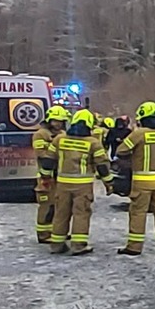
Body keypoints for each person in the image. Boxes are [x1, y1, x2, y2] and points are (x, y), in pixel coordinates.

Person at [48, 109, 110, 255]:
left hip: (62, 184)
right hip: (83, 185)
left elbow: (48, 160)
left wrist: (45, 177)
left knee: (61, 213)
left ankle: (57, 244)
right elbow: (102, 166)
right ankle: (78, 245)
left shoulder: (59, 139)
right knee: (81, 213)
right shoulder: (93, 143)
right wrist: (108, 183)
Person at [116, 102, 155, 255]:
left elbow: (121, 150)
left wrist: (133, 157)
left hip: (142, 180)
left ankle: (134, 246)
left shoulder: (139, 134)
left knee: (138, 212)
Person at [33, 104, 69, 244]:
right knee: (46, 205)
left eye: (61, 121)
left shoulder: (62, 134)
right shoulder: (40, 134)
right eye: (55, 121)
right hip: (46, 175)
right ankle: (43, 234)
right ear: (49, 120)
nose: (58, 124)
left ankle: (56, 231)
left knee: (58, 206)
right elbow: (42, 154)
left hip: (59, 174)